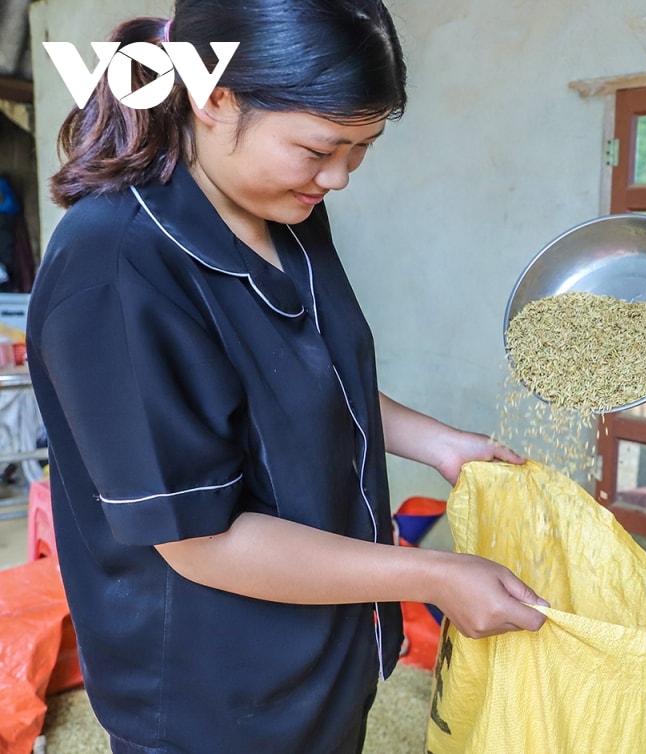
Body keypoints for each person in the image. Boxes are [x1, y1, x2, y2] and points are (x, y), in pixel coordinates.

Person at [26, 3, 547, 752]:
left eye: (361, 148)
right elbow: (203, 541)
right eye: (320, 147)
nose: (338, 178)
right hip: (212, 694)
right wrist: (433, 575)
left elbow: (306, 380)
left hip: (323, 647)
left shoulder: (288, 212)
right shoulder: (116, 267)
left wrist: (440, 443)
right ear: (214, 99)